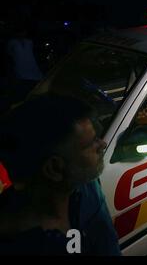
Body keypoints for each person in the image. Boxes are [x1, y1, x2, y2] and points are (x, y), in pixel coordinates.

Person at [0, 94, 121, 255]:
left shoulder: (84, 187)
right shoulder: (24, 243)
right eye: (91, 143)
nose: (103, 144)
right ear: (54, 169)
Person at [5, 23, 43, 105]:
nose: (23, 33)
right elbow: (9, 53)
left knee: (34, 84)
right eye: (21, 32)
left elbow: (33, 53)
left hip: (32, 65)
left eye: (24, 32)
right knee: (23, 87)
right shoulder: (12, 42)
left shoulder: (29, 41)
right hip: (20, 66)